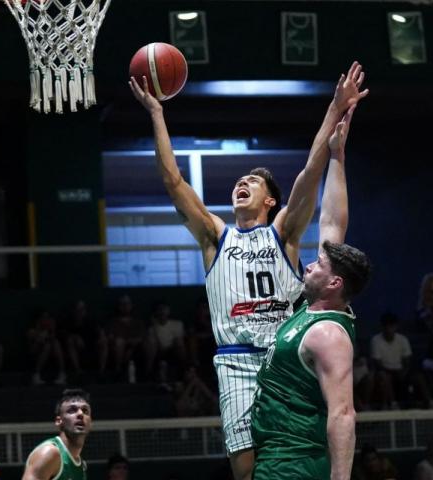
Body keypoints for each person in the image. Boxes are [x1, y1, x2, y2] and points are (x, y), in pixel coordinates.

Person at [130, 60, 368, 480]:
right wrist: (156, 113)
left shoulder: (285, 234)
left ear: (270, 201)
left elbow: (310, 173)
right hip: (236, 360)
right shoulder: (214, 237)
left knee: (300, 450)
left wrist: (334, 110)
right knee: (246, 470)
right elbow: (173, 183)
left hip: (285, 357)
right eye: (239, 181)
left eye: (252, 183)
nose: (242, 183)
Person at [251, 103, 371, 480]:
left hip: (294, 463)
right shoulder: (314, 310)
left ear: (335, 283)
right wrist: (337, 154)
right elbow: (332, 220)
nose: (308, 266)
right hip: (277, 457)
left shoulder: (328, 335)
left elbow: (343, 413)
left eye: (318, 265)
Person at [22, 389, 92, 480]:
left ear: (90, 422)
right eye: (72, 410)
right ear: (59, 421)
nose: (80, 414)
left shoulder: (81, 465)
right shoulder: (49, 453)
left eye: (85, 411)